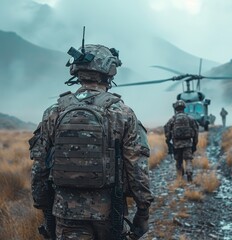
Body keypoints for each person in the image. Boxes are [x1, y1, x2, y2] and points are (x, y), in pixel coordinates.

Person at [29, 43, 153, 240]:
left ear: (77, 71)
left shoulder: (54, 111)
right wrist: (143, 209)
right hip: (109, 211)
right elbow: (137, 167)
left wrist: (43, 205)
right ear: (109, 71)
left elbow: (40, 165)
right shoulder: (122, 113)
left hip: (64, 211)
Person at [164, 100, 199, 182]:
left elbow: (167, 130)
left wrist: (168, 141)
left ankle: (180, 176)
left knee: (178, 160)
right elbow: (196, 131)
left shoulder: (173, 119)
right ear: (184, 108)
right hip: (188, 143)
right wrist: (194, 143)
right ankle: (189, 173)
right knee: (188, 159)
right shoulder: (190, 118)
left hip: (177, 144)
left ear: (176, 109)